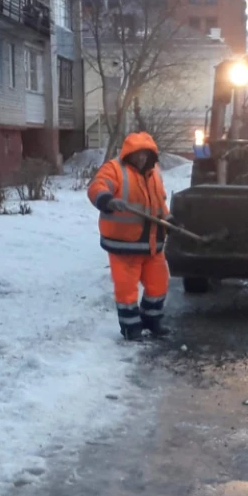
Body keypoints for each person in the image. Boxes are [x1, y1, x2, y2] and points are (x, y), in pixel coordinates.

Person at [88, 132, 171, 341]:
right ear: (128, 153)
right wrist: (107, 200)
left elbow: (160, 202)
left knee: (158, 285)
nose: (141, 158)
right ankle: (131, 328)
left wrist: (170, 219)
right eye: (137, 154)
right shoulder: (114, 169)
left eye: (145, 154)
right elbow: (97, 187)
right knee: (127, 291)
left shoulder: (154, 173)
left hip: (153, 244)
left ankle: (152, 320)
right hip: (124, 245)